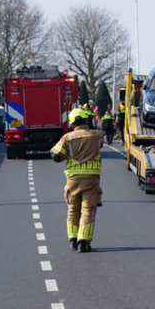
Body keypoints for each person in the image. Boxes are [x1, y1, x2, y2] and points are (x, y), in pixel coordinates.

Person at [50, 108, 104, 253]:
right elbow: (99, 147)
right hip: (91, 179)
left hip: (73, 179)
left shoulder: (67, 138)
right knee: (88, 210)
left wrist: (67, 155)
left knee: (73, 209)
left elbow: (55, 156)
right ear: (86, 120)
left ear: (73, 123)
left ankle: (73, 240)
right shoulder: (98, 135)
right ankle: (83, 242)